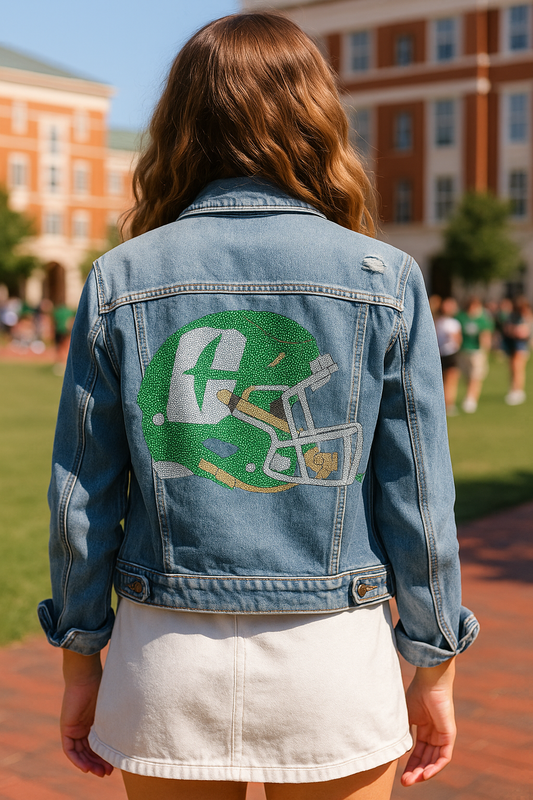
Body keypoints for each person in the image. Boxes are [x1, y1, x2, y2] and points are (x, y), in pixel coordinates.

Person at [38, 13, 479, 800]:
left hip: (163, 653)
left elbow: (81, 499)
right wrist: (434, 664)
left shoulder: (119, 276)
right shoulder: (382, 276)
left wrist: (80, 659)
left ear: (180, 123)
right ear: (314, 118)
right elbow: (418, 500)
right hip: (332, 658)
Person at [456, 297, 494, 413]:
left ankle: (471, 399)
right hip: (463, 350)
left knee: (475, 376)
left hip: (476, 351)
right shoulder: (461, 317)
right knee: (466, 376)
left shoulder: (482, 319)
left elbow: (486, 335)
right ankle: (469, 395)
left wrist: (486, 350)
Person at [434, 297, 462, 416]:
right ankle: (448, 404)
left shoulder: (436, 321)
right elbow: (458, 340)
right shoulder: (453, 323)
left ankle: (443, 404)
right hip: (450, 353)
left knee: (442, 381)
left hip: (439, 353)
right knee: (451, 381)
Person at [503, 296, 532, 405]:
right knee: (513, 368)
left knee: (518, 367)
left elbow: (526, 331)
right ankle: (514, 389)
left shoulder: (527, 317)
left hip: (521, 345)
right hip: (512, 344)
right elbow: (507, 328)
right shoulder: (513, 316)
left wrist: (520, 331)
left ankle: (518, 390)